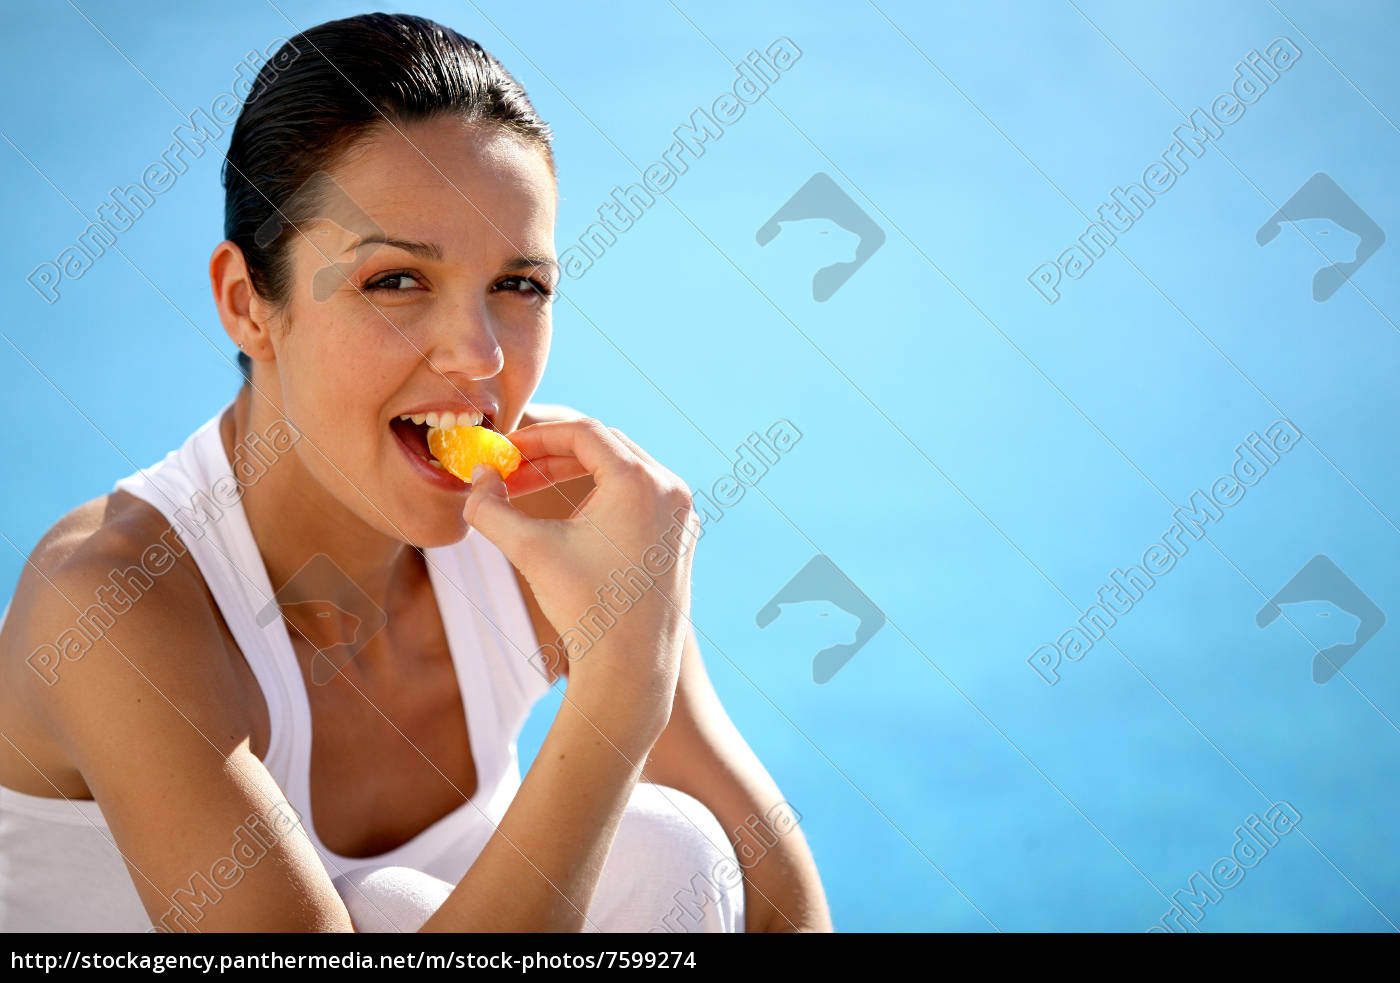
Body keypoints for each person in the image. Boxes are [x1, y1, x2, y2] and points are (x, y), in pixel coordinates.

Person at [0, 12, 832, 933]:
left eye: (519, 286)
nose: (478, 358)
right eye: (396, 280)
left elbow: (777, 904)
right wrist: (617, 700)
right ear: (248, 306)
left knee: (672, 851)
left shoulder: (558, 517)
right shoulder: (113, 601)